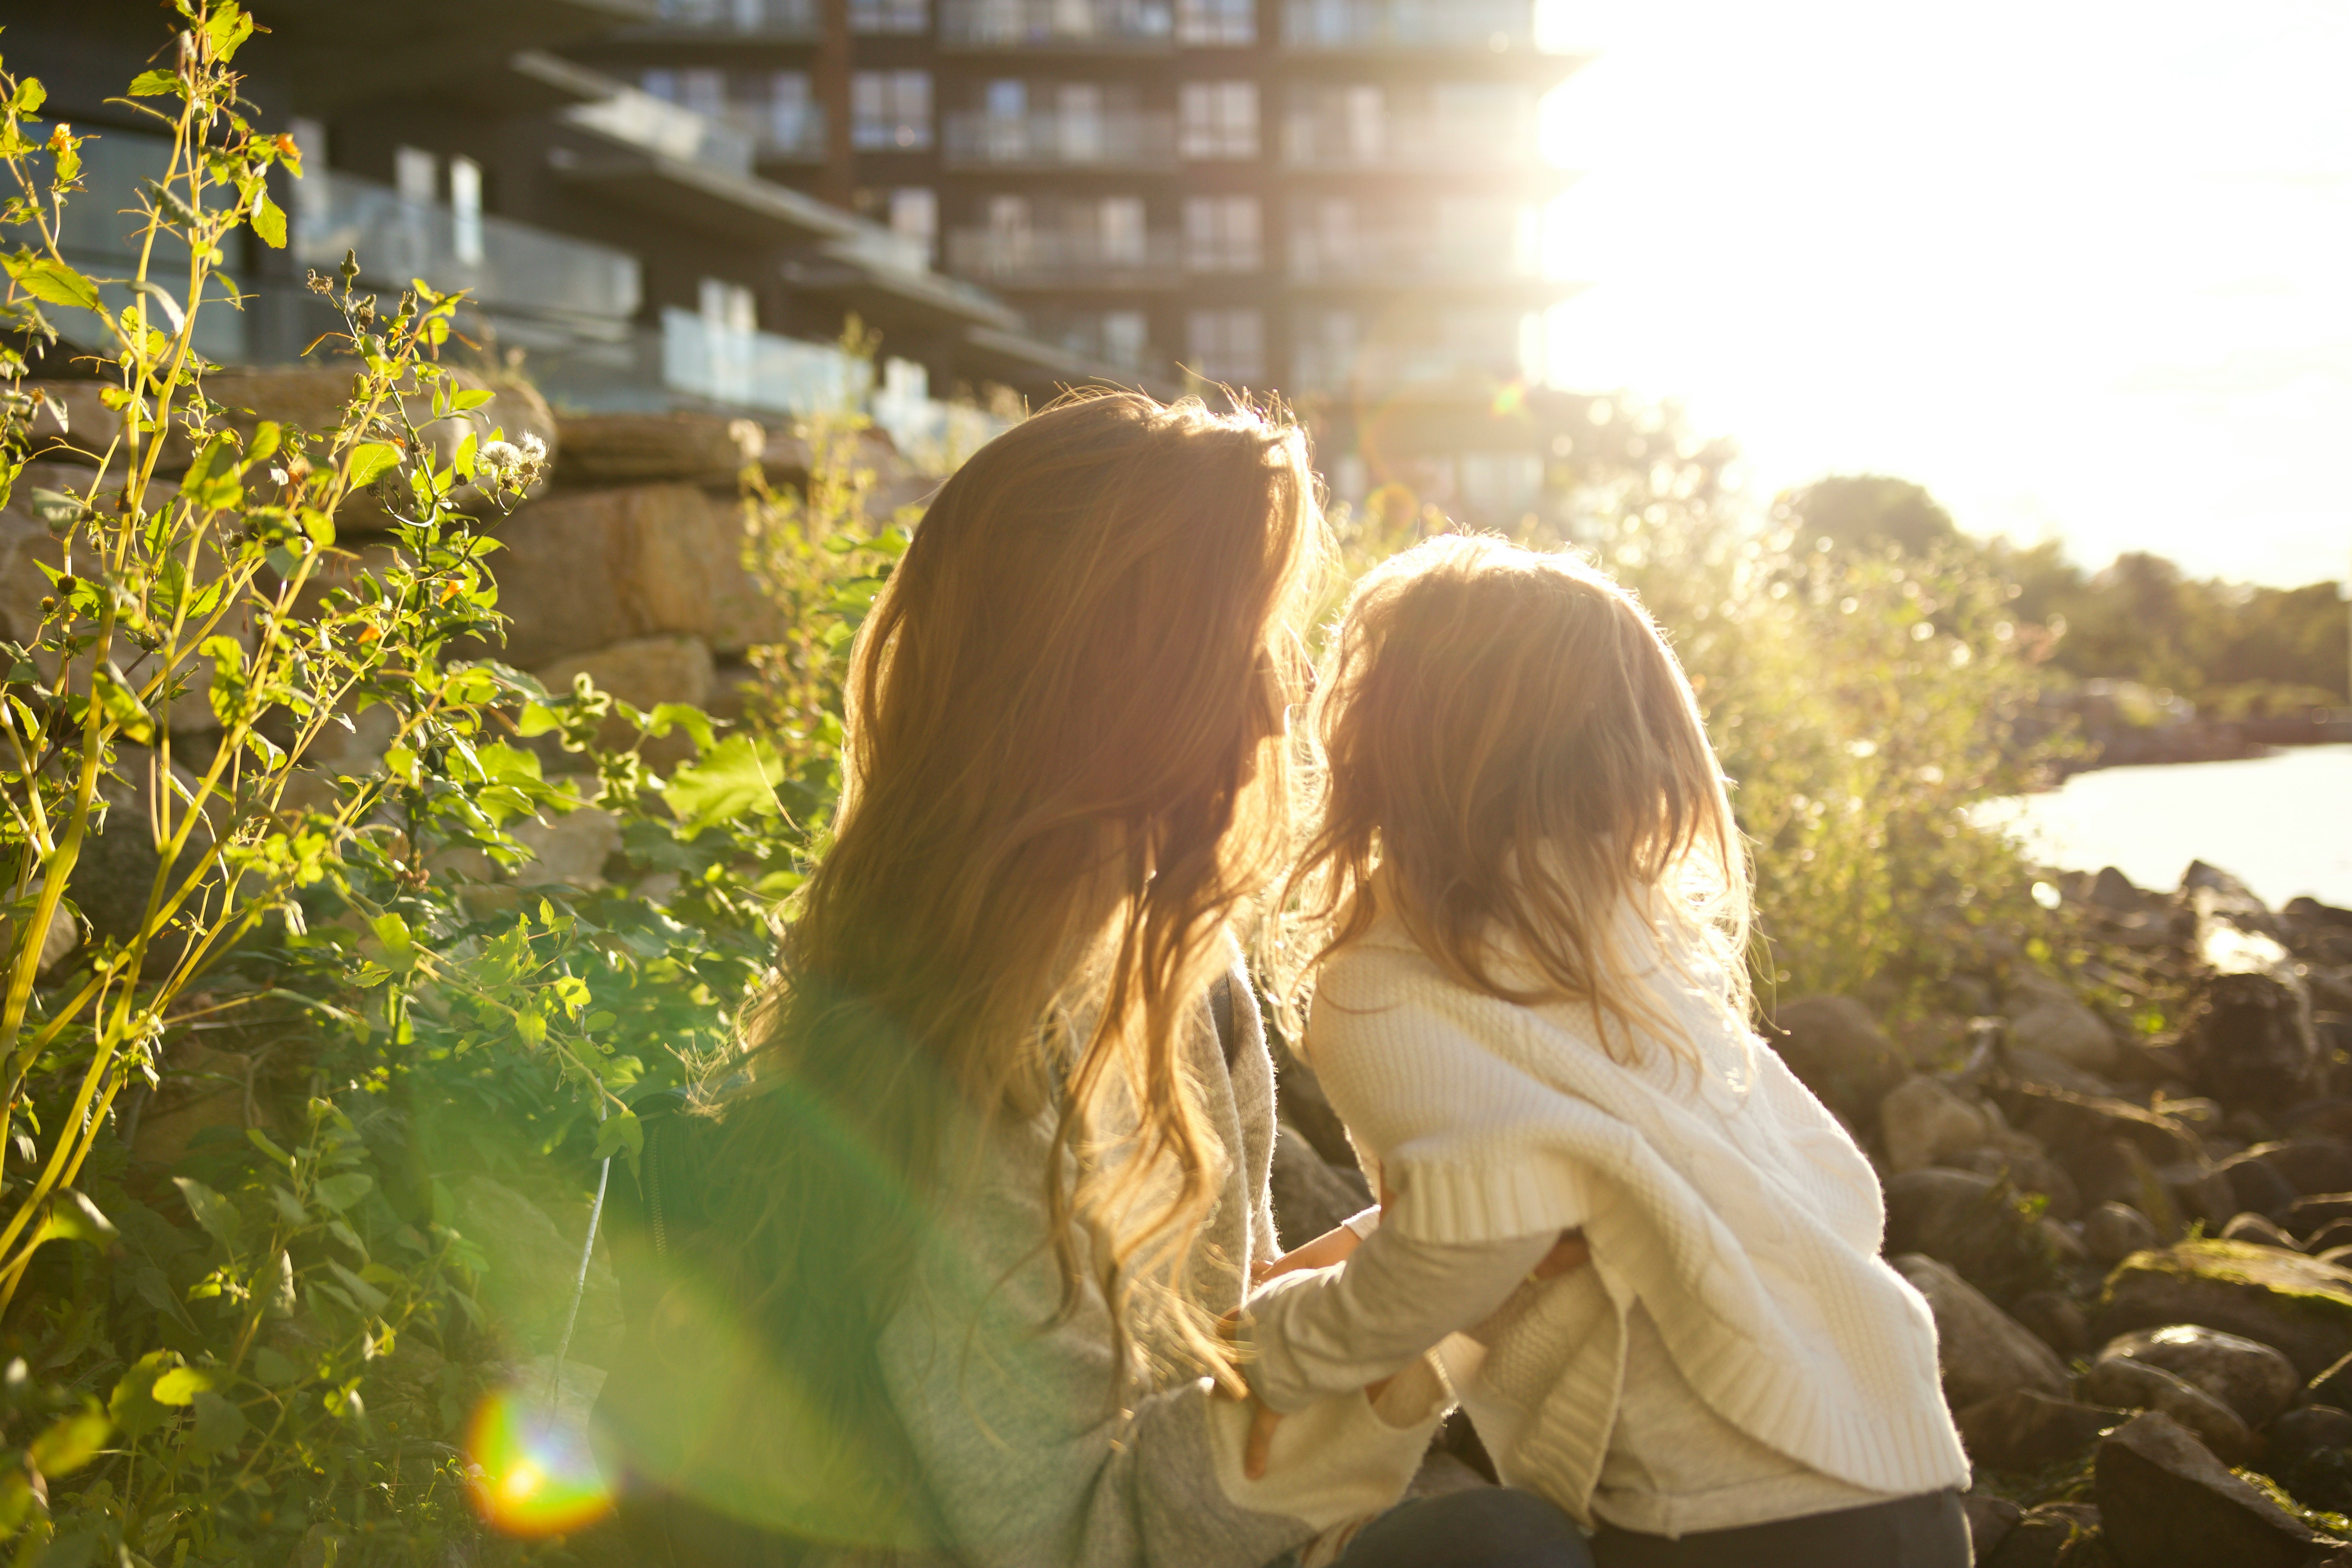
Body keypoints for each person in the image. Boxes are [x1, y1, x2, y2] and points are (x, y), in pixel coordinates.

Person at [595, 394, 1592, 1568]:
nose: (1279, 707)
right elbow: (1076, 1531)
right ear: (1112, 689)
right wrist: (1399, 1337)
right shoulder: (945, 1073)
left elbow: (1205, 1344)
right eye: (1241, 656)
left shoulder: (1188, 985)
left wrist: (1434, 1246)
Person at [1231, 535, 1973, 1568]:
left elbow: (1481, 1238)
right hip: (1908, 1488)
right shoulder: (1631, 931)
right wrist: (1375, 1238)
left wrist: (1277, 1353)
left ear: (1373, 739)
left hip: (1719, 1521)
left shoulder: (1377, 975)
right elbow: (1661, 1164)